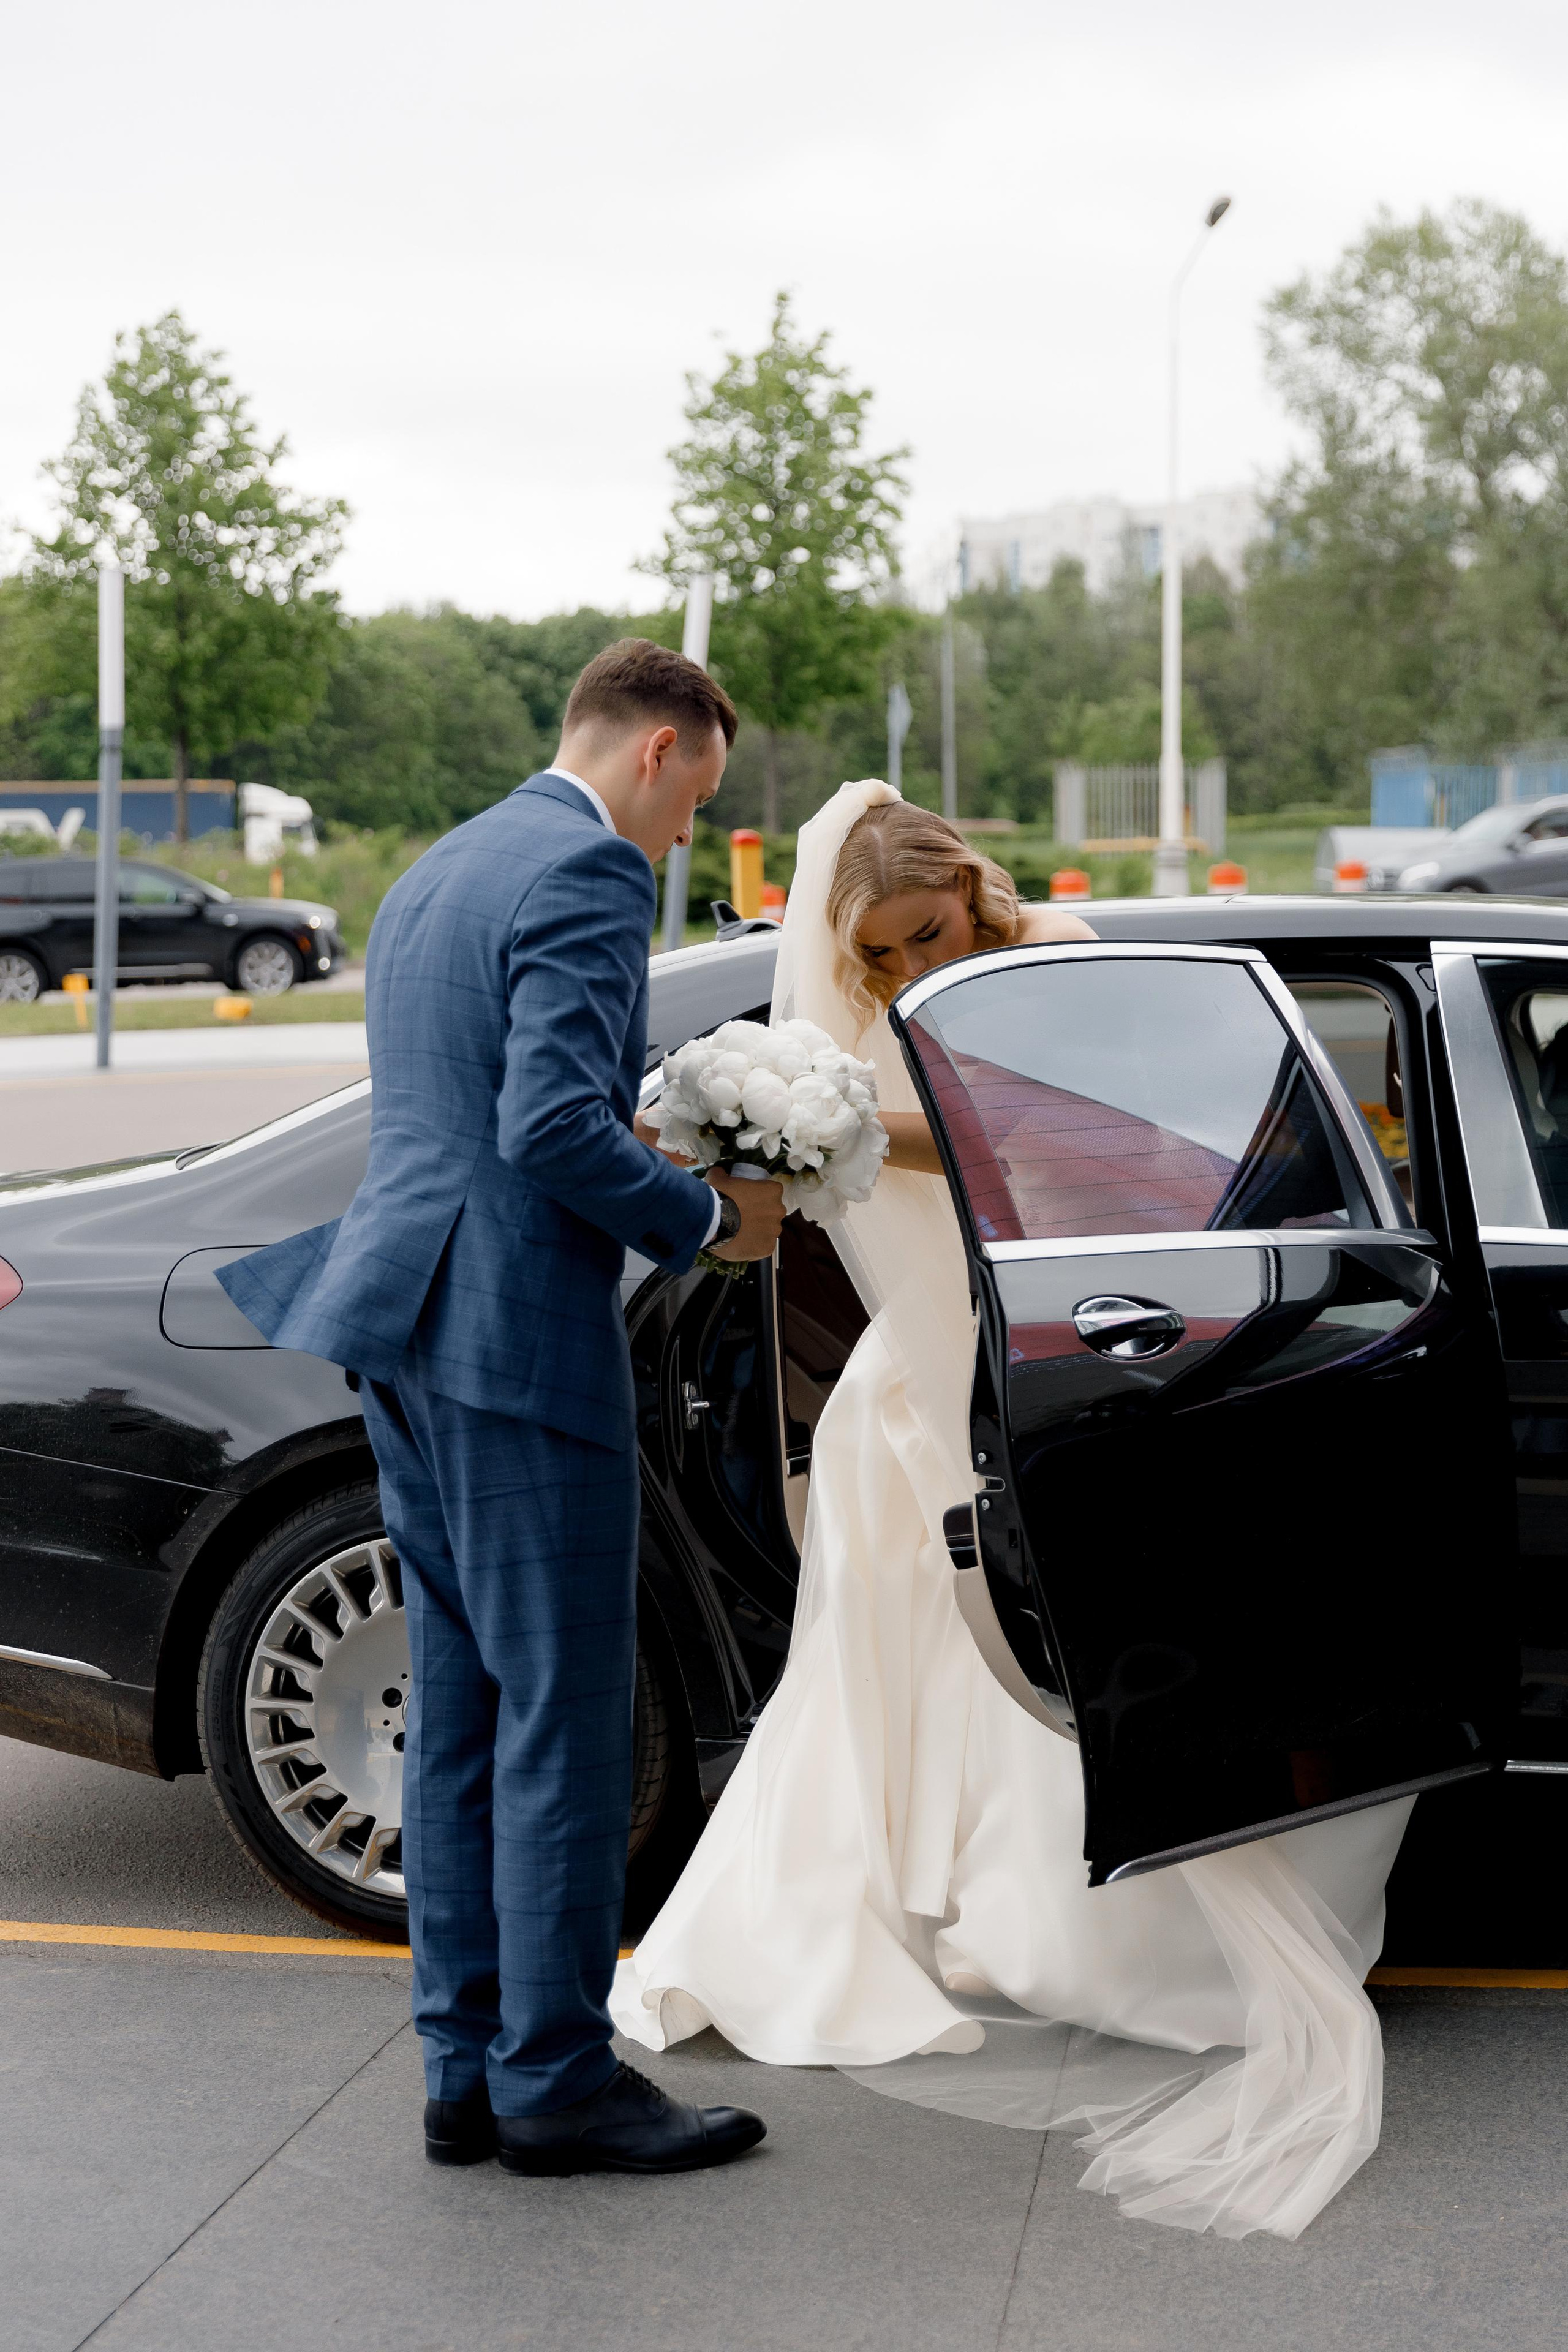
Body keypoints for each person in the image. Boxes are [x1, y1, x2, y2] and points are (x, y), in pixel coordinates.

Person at [612, 779, 1411, 2240]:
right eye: (880, 961)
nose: (913, 972)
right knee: (912, 1671)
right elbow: (825, 1216)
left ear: (971, 889)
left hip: (1070, 1359)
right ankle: (920, 1918)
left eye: (927, 933)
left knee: (1065, 1659)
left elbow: (1090, 1148)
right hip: (917, 1395)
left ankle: (1038, 1923)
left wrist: (860, 1128)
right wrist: (802, 1141)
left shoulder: (1067, 960)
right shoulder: (850, 1031)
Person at [220, 640, 781, 2178]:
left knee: (464, 1707)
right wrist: (702, 1215)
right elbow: (544, 1125)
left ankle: (464, 2067)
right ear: (657, 752)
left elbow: (458, 1107)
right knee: (567, 1717)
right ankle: (554, 2078)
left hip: (397, 1324)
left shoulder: (439, 868)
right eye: (693, 809)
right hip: (516, 1339)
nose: (676, 846)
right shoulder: (588, 875)